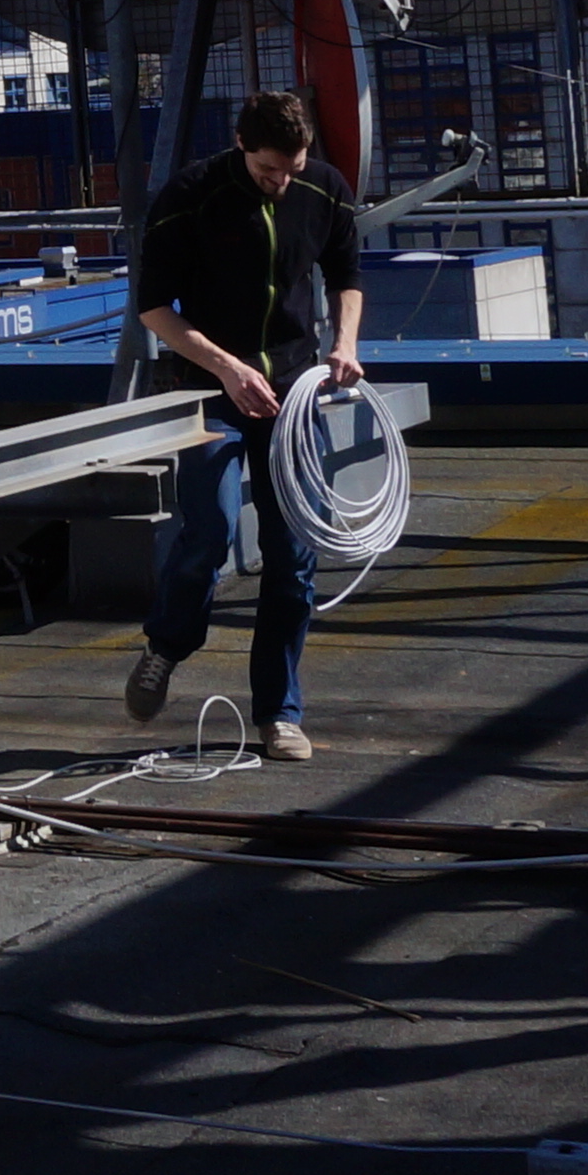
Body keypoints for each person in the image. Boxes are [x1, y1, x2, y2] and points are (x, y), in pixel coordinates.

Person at [121, 87, 366, 760]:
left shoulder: (323, 189)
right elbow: (154, 309)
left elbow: (346, 274)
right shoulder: (189, 196)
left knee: (294, 553)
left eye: (292, 169)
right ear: (240, 144)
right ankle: (167, 646)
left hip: (292, 390)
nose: (281, 182)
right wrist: (228, 369)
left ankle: (279, 713)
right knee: (212, 530)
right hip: (210, 388)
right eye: (267, 171)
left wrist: (345, 343)